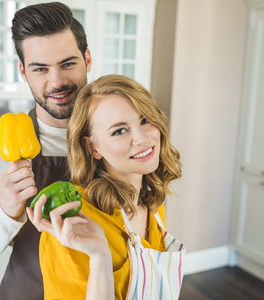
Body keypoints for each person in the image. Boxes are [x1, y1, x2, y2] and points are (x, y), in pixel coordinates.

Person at [0, 2, 92, 299]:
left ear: (87, 59)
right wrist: (4, 212)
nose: (57, 81)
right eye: (41, 69)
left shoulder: (116, 133)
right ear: (24, 72)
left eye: (68, 63)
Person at [28, 74, 186, 300]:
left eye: (145, 120)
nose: (141, 138)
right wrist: (100, 256)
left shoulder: (153, 205)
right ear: (92, 147)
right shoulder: (71, 223)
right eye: (119, 131)